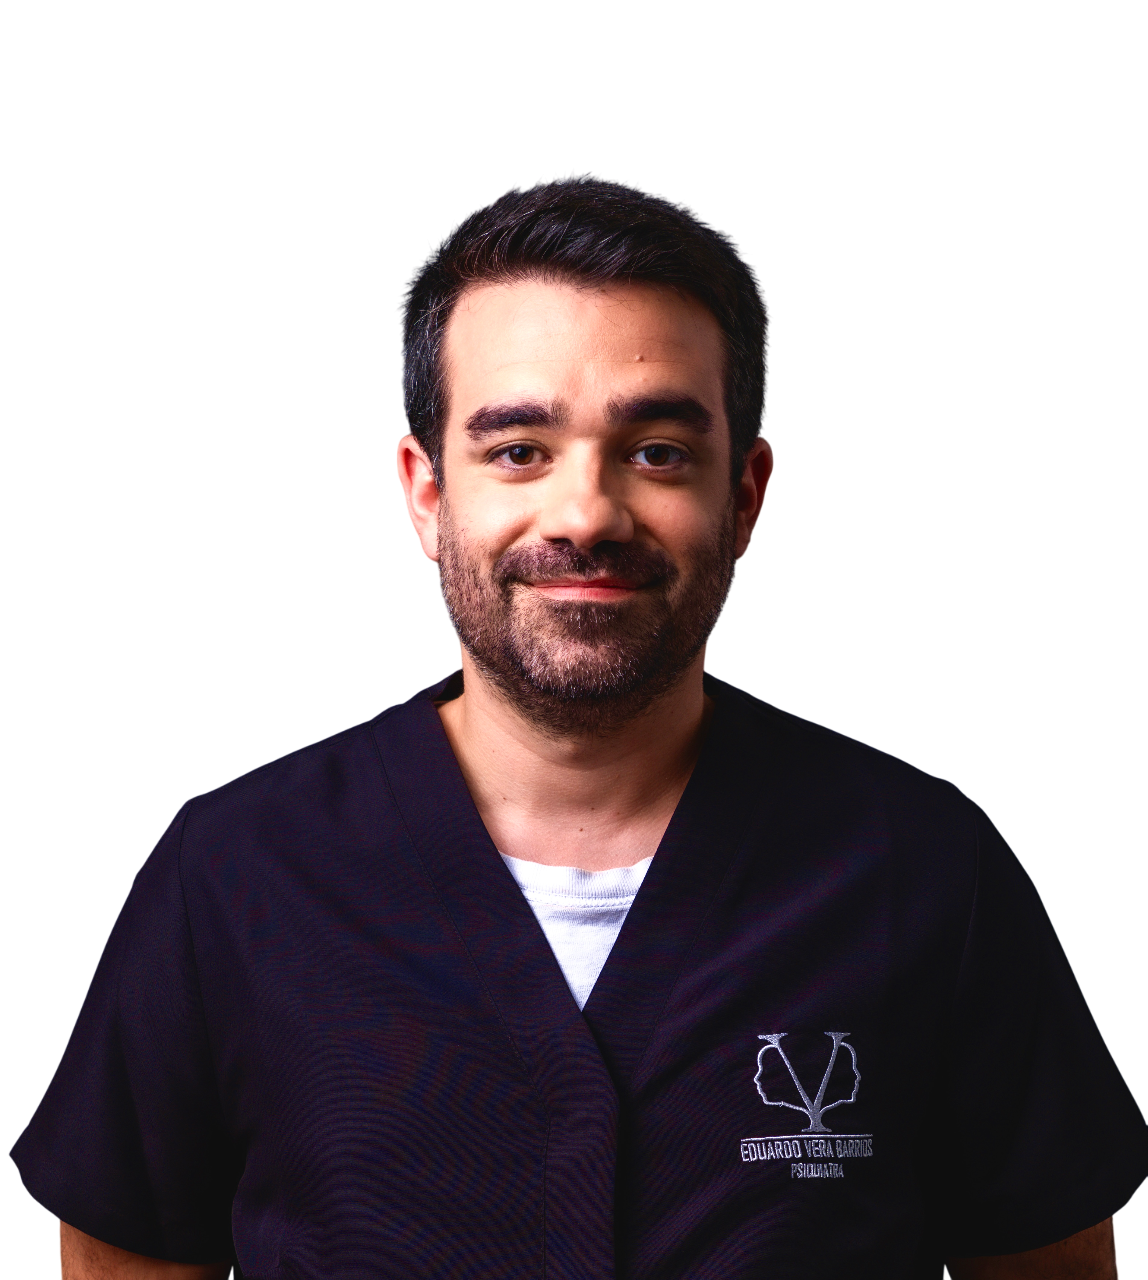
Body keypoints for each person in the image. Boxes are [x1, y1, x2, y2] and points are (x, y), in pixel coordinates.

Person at [13, 174, 1146, 1279]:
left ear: (746, 496)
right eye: (518, 450)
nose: (587, 513)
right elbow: (123, 1256)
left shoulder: (923, 867)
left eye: (657, 452)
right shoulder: (228, 873)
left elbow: (1048, 1260)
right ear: (425, 492)